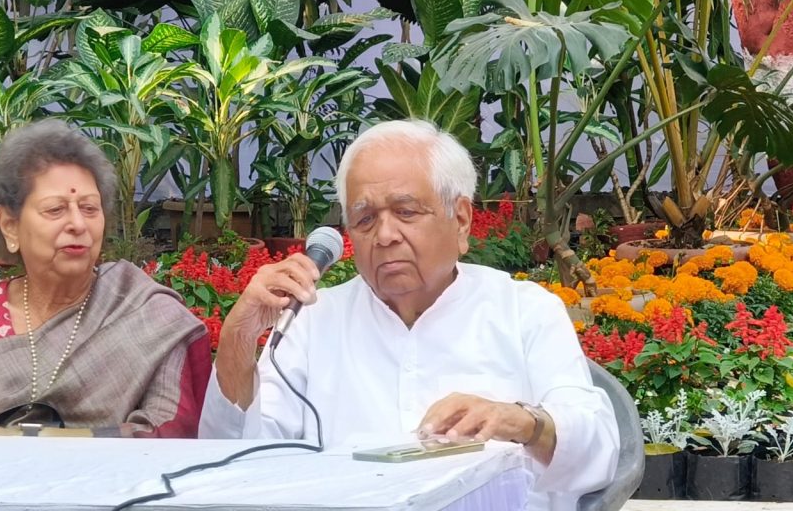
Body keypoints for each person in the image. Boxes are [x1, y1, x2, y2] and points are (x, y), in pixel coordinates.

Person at [200, 119, 618, 509]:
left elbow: (598, 449)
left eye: (406, 212)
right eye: (365, 219)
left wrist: (523, 422)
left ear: (461, 220)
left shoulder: (523, 310)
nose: (384, 236)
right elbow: (237, 463)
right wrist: (238, 338)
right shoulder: (313, 320)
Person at [0, 120, 211, 438]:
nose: (78, 224)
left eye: (90, 208)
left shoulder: (149, 314)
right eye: (55, 209)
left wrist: (5, 437)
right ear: (10, 226)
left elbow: (165, 436)